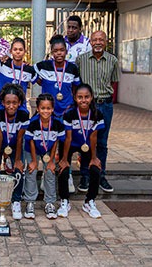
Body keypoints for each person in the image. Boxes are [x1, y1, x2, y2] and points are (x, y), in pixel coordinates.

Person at [34, 35, 81, 193]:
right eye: (55, 51)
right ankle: (46, 175)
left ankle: (66, 175)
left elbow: (75, 89)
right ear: (51, 52)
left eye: (62, 50)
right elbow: (34, 75)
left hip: (66, 111)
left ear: (66, 51)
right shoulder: (44, 66)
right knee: (46, 144)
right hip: (48, 113)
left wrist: (72, 107)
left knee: (64, 145)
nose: (59, 53)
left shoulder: (72, 68)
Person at [76, 30, 120, 193]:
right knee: (86, 140)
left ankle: (101, 175)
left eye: (101, 39)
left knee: (102, 141)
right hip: (87, 106)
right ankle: (85, 176)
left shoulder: (113, 61)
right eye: (95, 40)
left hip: (105, 105)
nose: (98, 42)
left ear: (106, 41)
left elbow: (114, 82)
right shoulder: (81, 60)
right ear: (90, 42)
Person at [58, 84, 105, 218]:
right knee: (63, 169)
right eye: (80, 97)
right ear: (75, 98)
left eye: (86, 97)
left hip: (87, 144)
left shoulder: (97, 114)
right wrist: (64, 159)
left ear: (91, 98)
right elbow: (68, 137)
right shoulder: (70, 113)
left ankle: (89, 201)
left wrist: (94, 158)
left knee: (95, 168)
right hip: (70, 143)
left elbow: (93, 137)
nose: (83, 100)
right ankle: (64, 200)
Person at [0, 83, 29, 220]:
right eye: (8, 103)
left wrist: (17, 160)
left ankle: (16, 201)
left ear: (20, 103)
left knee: (19, 170)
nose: (11, 106)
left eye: (14, 103)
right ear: (2, 102)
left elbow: (19, 138)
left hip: (15, 144)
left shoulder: (24, 114)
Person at [23, 93, 65, 220]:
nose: (45, 111)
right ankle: (30, 202)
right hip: (32, 149)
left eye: (48, 108)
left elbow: (56, 141)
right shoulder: (33, 122)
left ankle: (50, 202)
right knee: (32, 170)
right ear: (38, 108)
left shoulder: (57, 123)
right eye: (43, 108)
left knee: (50, 171)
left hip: (48, 150)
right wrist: (34, 161)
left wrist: (51, 161)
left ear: (52, 109)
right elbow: (30, 141)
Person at [0, 37, 37, 108]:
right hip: (1, 107)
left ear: (25, 51)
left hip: (20, 108)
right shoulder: (3, 63)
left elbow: (41, 82)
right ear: (10, 51)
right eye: (15, 49)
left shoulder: (29, 70)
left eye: (20, 49)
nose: (18, 52)